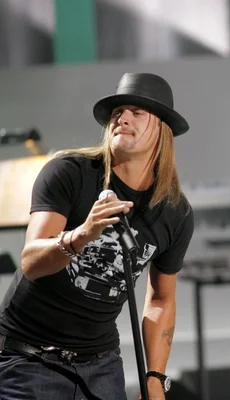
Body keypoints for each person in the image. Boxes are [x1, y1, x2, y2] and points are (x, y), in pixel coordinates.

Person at [0, 72, 195, 400]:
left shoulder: (174, 212)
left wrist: (155, 377)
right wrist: (81, 235)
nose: (123, 118)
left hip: (100, 365)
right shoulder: (70, 173)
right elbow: (31, 260)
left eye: (137, 112)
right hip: (28, 358)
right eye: (118, 112)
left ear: (162, 128)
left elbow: (161, 299)